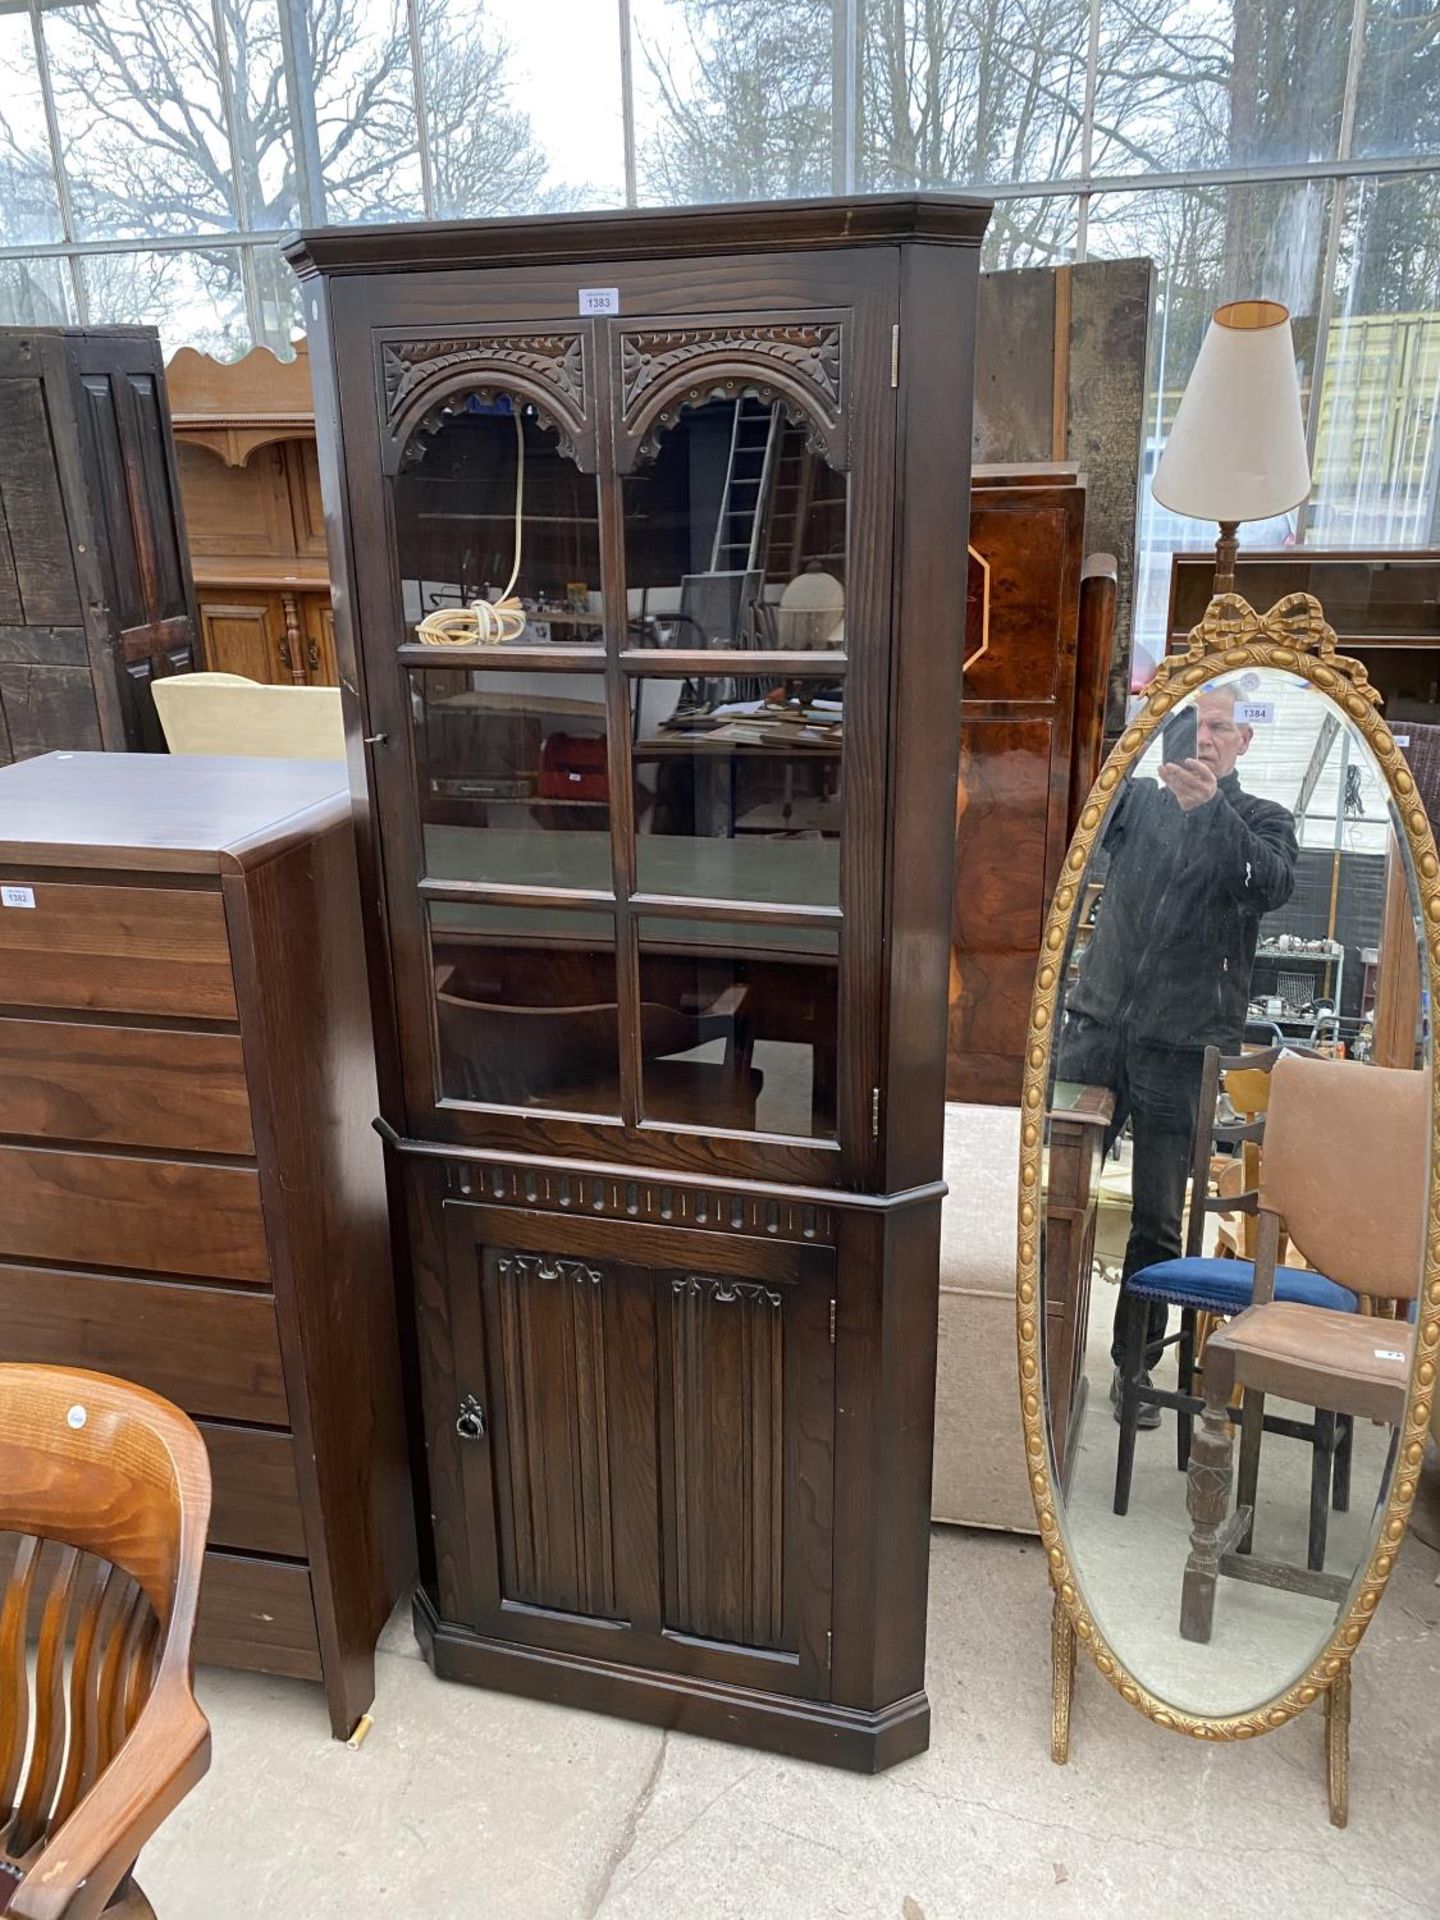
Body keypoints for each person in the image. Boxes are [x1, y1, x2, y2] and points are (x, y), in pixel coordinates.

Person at [1055, 685, 1299, 1424]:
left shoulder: (1262, 820)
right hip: (1096, 1027)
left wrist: (1207, 811)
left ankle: (1135, 1376)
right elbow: (1073, 839)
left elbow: (1269, 883)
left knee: (1158, 1219)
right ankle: (1042, 1345)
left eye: (1221, 728)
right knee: (1052, 1189)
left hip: (1182, 1047)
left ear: (1244, 743)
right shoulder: (1135, 802)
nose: (1206, 739)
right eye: (1195, 726)